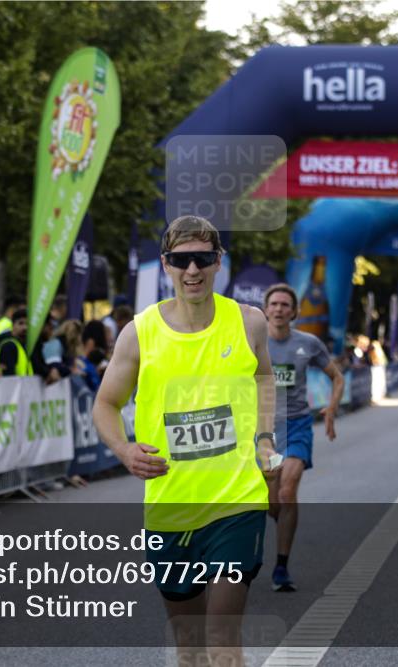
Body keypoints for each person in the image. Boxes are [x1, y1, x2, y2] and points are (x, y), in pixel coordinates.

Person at [92, 215, 279, 667]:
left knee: (221, 639)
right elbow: (105, 406)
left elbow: (265, 379)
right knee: (190, 648)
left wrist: (265, 438)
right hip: (170, 507)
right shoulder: (139, 333)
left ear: (219, 262)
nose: (192, 270)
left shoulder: (249, 322)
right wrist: (123, 449)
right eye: (181, 260)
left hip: (236, 503)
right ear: (166, 265)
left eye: (202, 259)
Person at [263, 283, 344, 592]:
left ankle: (281, 566)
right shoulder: (252, 343)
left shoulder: (308, 343)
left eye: (286, 304)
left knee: (287, 490)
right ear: (266, 309)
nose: (280, 309)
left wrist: (332, 409)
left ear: (294, 312)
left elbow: (336, 377)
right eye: (275, 304)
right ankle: (277, 521)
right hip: (264, 430)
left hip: (297, 425)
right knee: (271, 502)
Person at [0, 308, 34, 377]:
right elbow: (8, 377)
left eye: (27, 324)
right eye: (20, 323)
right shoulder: (9, 346)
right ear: (13, 325)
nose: (25, 328)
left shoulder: (23, 345)